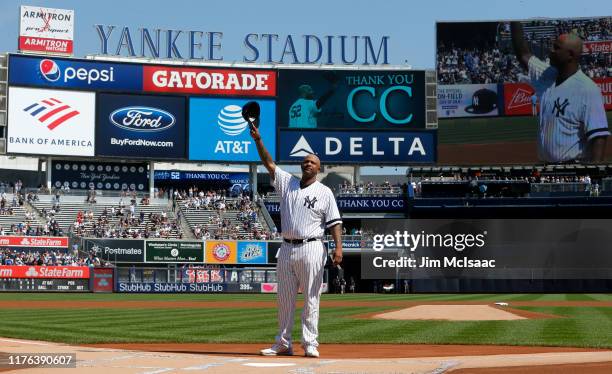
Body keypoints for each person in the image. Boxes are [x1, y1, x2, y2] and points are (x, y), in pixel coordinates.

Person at [250, 119, 342, 358]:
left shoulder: (325, 192)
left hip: (312, 247)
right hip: (287, 247)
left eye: (312, 162)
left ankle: (310, 343)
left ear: (319, 169)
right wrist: (258, 140)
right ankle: (282, 342)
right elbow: (268, 163)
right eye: (305, 161)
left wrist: (338, 248)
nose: (307, 163)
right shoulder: (287, 182)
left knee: (312, 298)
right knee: (284, 299)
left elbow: (335, 222)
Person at [511, 22, 609, 163]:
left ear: (570, 55)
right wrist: (514, 18)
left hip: (572, 169)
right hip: (546, 168)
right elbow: (523, 54)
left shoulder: (588, 89)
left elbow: (598, 136)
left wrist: (594, 176)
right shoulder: (546, 74)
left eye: (556, 48)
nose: (550, 50)